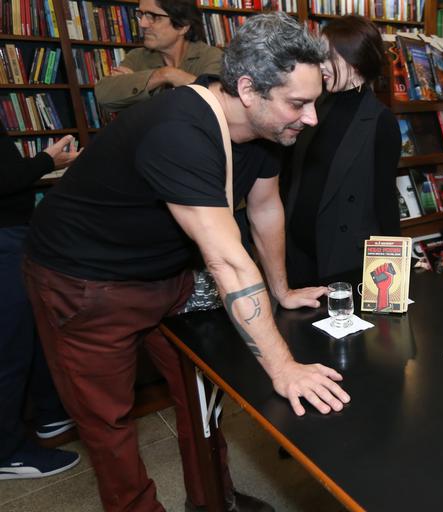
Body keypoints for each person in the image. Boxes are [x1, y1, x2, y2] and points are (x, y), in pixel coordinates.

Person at [23, 13, 349, 512]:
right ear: (247, 89)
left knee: (201, 399)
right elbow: (226, 261)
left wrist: (281, 289)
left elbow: (264, 209)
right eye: (298, 103)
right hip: (83, 283)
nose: (311, 119)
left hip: (166, 275)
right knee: (108, 424)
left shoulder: (268, 132)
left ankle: (212, 502)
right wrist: (283, 368)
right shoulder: (178, 128)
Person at [281, 15, 401, 288]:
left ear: (356, 60)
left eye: (327, 56)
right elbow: (292, 174)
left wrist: (396, 273)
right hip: (296, 253)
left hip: (343, 260)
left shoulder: (381, 122)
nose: (320, 65)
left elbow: (385, 200)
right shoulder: (314, 104)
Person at [1, 131, 81, 480]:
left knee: (32, 328)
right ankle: (8, 453)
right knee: (9, 346)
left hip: (13, 234)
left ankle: (51, 415)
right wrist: (48, 161)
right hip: (3, 238)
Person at [95, 0, 222, 113]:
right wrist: (164, 75)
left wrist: (137, 87)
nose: (142, 24)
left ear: (183, 26)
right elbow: (104, 95)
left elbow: (217, 106)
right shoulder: (137, 57)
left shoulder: (212, 57)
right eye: (141, 14)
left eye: (154, 17)